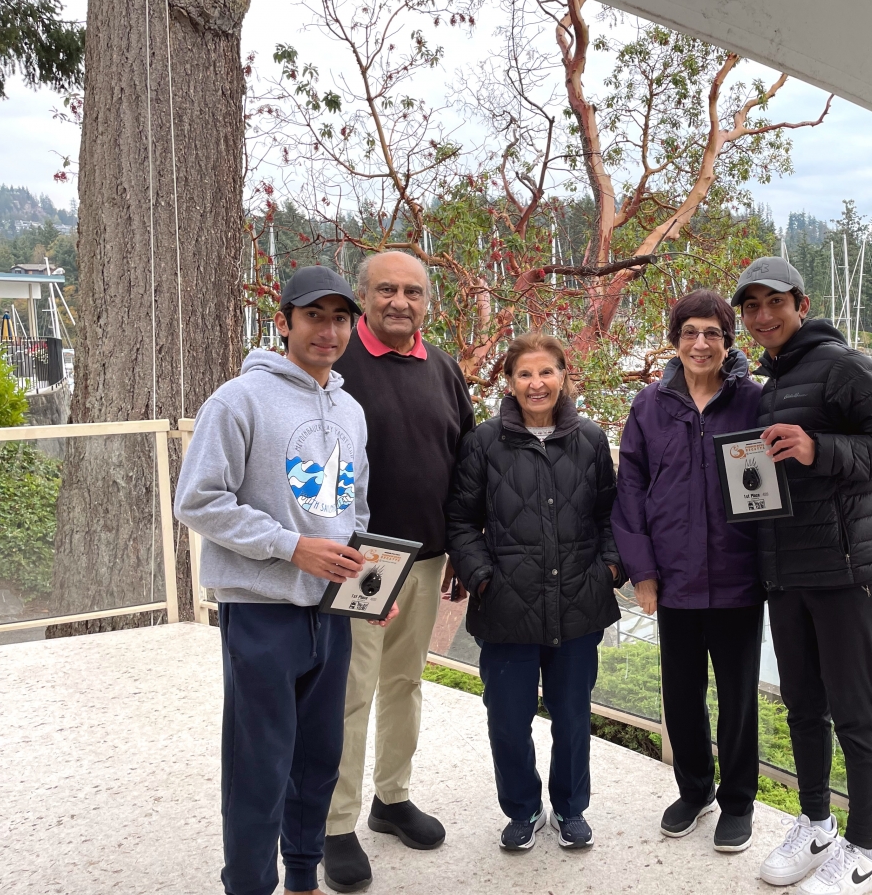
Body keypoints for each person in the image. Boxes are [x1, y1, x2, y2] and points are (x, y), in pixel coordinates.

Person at [175, 265, 396, 895]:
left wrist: (369, 589)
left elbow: (354, 510)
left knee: (318, 758)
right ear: (284, 322)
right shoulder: (237, 400)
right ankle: (248, 884)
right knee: (258, 764)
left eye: (340, 318)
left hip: (330, 612)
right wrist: (290, 547)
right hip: (262, 609)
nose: (328, 331)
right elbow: (197, 500)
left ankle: (303, 878)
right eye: (314, 316)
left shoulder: (350, 410)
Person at [733, 257, 872, 895]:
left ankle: (864, 847)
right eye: (751, 306)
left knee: (856, 713)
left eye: (774, 302)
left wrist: (821, 449)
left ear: (802, 304)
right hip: (786, 572)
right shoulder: (770, 382)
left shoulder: (842, 366)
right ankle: (816, 822)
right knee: (802, 707)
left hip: (844, 571)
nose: (763, 316)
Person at [322, 251, 474, 893]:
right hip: (364, 560)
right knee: (352, 691)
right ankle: (335, 824)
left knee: (406, 682)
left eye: (412, 291)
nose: (399, 302)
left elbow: (467, 462)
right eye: (386, 289)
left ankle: (391, 799)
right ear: (364, 296)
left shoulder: (442, 368)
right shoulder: (334, 367)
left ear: (426, 302)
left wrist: (466, 550)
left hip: (430, 556)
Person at [445, 332, 624, 853]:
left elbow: (610, 514)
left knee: (571, 720)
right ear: (510, 381)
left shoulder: (590, 439)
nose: (536, 383)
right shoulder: (483, 442)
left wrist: (609, 569)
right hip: (505, 609)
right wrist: (481, 578)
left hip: (578, 604)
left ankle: (571, 810)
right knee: (507, 721)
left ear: (564, 376)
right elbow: (460, 520)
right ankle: (522, 810)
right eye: (525, 373)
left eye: (546, 372)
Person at [612, 289, 764, 852]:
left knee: (738, 696)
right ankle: (695, 789)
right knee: (680, 693)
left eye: (713, 333)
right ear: (674, 340)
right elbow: (629, 490)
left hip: (738, 575)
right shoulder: (650, 405)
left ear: (728, 342)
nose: (701, 343)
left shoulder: (753, 402)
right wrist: (642, 571)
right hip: (672, 577)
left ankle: (738, 801)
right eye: (690, 333)